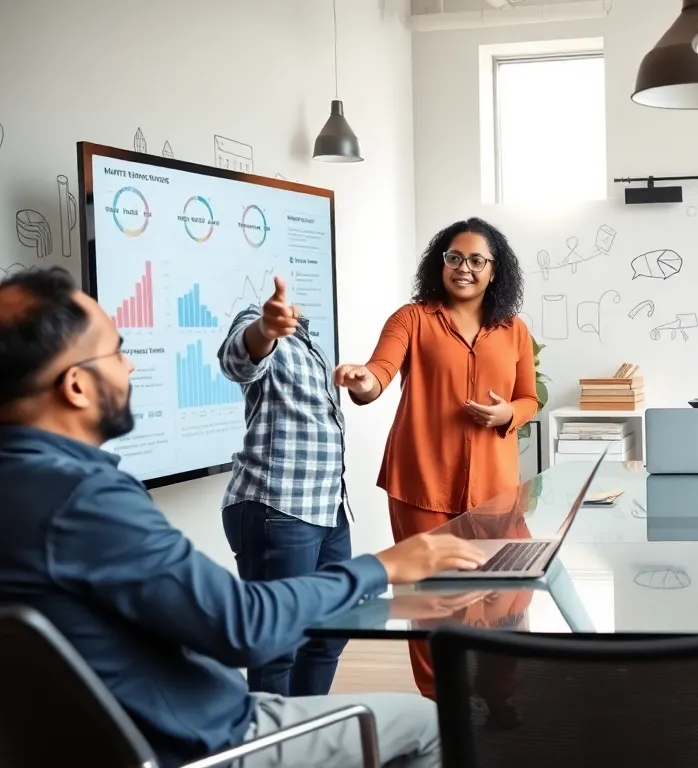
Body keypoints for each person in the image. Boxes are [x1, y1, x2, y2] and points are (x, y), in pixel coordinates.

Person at [0, 267, 489, 768]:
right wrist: (383, 566)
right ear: (77, 386)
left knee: (323, 640)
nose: (129, 367)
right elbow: (244, 627)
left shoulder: (29, 486)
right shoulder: (84, 500)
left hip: (155, 720)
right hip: (206, 738)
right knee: (431, 725)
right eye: (117, 350)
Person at [332, 217, 539, 698]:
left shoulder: (513, 329)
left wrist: (506, 413)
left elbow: (529, 398)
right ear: (439, 263)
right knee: (431, 600)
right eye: (453, 257)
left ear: (494, 270)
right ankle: (439, 705)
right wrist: (362, 380)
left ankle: (500, 693)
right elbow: (379, 373)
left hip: (495, 489)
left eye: (475, 260)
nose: (463, 268)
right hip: (422, 482)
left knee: (508, 594)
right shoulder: (412, 319)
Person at [215, 275, 352, 698]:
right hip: (278, 508)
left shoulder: (312, 345)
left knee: (330, 633)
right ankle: (273, 753)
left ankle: (304, 735)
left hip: (327, 507)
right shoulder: (259, 323)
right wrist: (264, 331)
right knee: (279, 646)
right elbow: (237, 360)